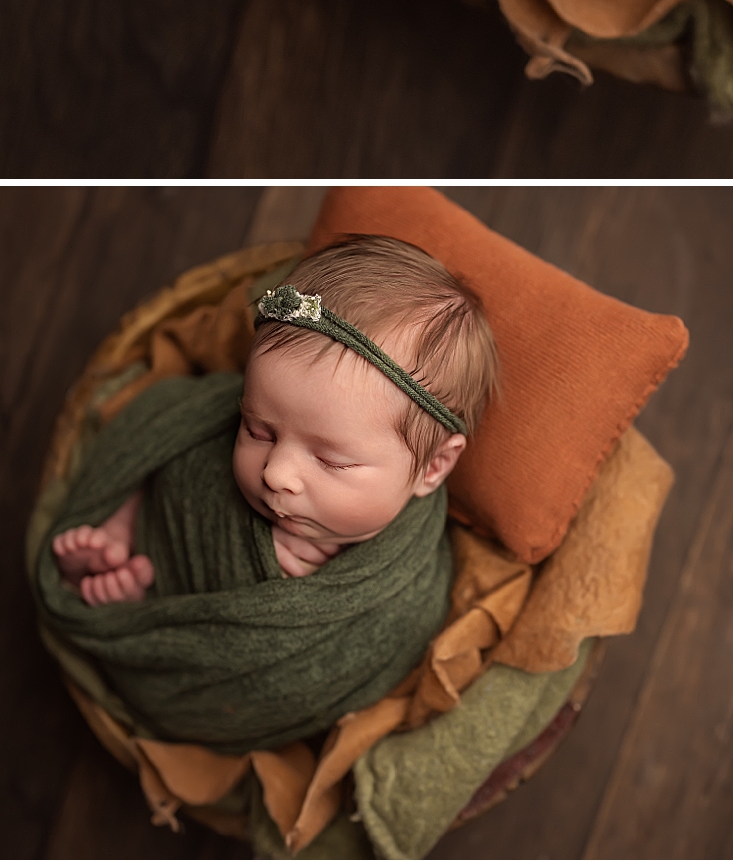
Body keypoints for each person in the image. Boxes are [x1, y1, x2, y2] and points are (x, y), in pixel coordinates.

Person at [35, 236, 498, 753]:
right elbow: (164, 427)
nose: (276, 472)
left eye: (330, 461)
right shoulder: (215, 438)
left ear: (433, 466)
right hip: (168, 534)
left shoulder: (407, 589)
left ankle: (140, 612)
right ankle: (123, 539)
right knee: (173, 476)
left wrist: (304, 593)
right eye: (258, 429)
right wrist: (131, 512)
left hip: (212, 682)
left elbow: (345, 677)